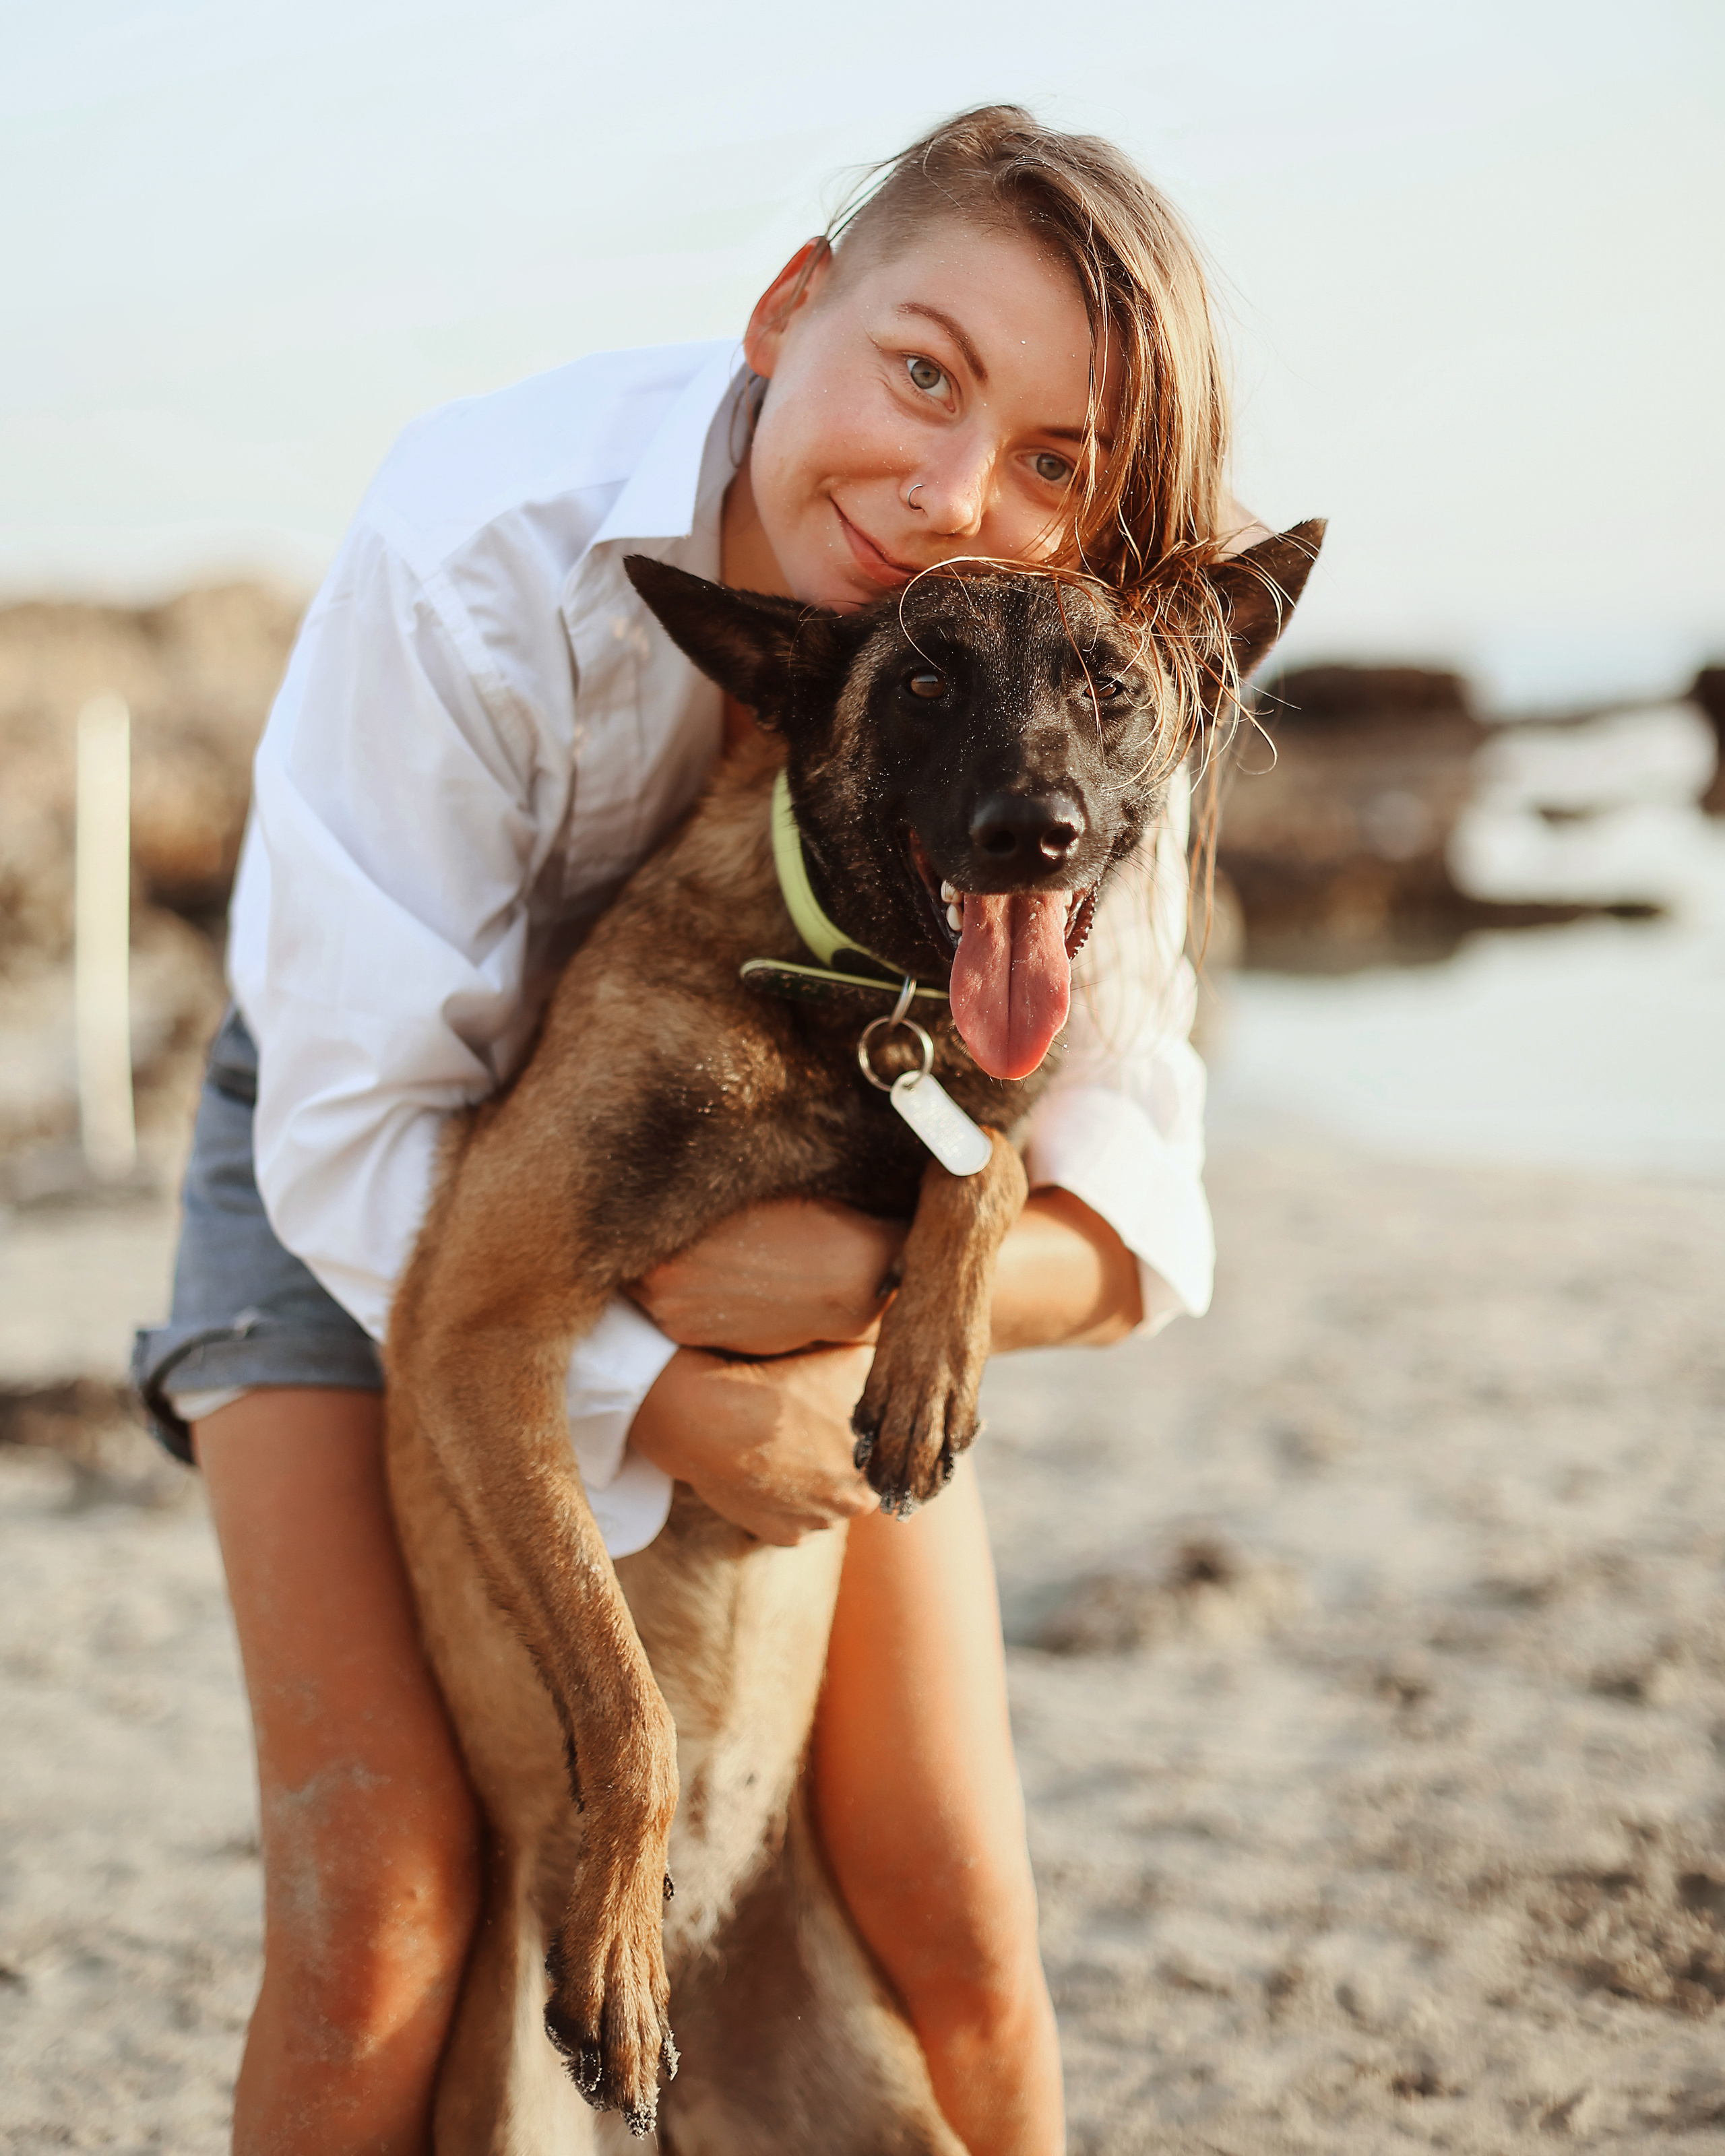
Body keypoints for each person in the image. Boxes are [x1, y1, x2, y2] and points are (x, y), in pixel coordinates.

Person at [135, 104, 1259, 2156]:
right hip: (362, 1158)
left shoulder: (1072, 696)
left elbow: (1127, 1194)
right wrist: (667, 1399)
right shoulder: (483, 542)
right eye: (922, 371)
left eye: (1055, 461)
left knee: (960, 1926)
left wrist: (858, 1295)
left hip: (816, 1159)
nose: (952, 495)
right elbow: (355, 1137)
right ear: (785, 306)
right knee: (378, 1926)